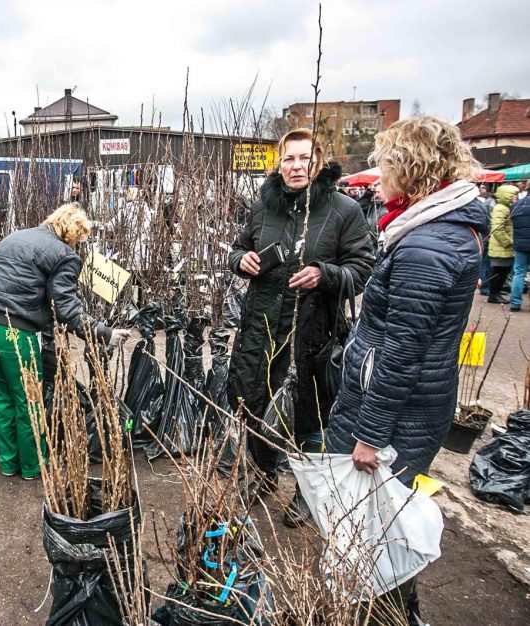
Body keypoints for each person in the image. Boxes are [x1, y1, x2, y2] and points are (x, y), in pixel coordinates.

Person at [324, 116, 486, 624]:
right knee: (379, 522)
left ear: (412, 170)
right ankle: (382, 605)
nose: (380, 176)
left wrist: (369, 436)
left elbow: (401, 351)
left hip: (395, 414)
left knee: (372, 528)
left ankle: (379, 612)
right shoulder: (435, 230)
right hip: (413, 407)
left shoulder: (424, 246)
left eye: (387, 165)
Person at [227, 127, 375, 525]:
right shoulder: (264, 207)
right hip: (261, 329)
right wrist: (241, 260)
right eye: (289, 158)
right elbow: (239, 247)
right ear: (279, 162)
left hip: (311, 335)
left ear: (319, 161)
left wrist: (324, 274)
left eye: (305, 158)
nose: (296, 166)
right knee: (256, 405)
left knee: (310, 416)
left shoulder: (344, 211)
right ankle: (262, 475)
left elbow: (362, 269)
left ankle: (309, 493)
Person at [0, 204, 130, 480]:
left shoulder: (14, 237)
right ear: (72, 234)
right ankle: (33, 467)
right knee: (28, 400)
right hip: (14, 331)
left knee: (0, 398)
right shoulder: (64, 255)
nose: (77, 245)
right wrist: (103, 332)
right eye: (79, 240)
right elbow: (66, 309)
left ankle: (9, 464)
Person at [487, 184, 518, 304]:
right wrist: (508, 242)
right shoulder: (501, 208)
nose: (515, 197)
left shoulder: (505, 207)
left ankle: (497, 292)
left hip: (503, 247)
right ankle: (493, 294)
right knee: (499, 272)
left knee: (503, 271)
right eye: (513, 195)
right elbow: (497, 228)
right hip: (501, 247)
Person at [510, 192, 530, 311]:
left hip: (520, 244)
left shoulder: (517, 204)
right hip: (521, 243)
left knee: (519, 273)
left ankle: (515, 303)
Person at [477, 185, 495, 295]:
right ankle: (483, 286)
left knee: (484, 263)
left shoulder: (486, 203)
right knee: (485, 263)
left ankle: (483, 285)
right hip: (486, 238)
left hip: (485, 237)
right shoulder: (489, 204)